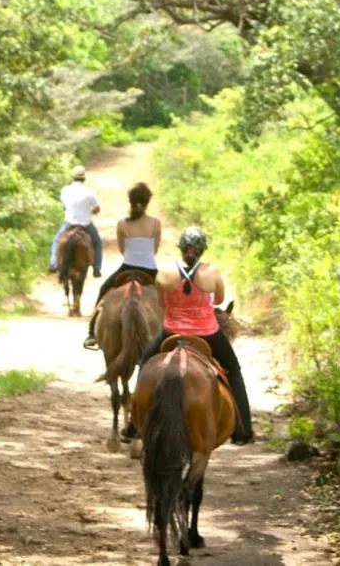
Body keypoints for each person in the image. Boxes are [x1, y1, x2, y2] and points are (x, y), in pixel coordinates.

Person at [121, 227, 254, 445]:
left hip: (171, 331)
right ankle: (243, 429)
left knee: (145, 363)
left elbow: (162, 305)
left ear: (181, 249)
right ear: (202, 251)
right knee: (234, 371)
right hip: (208, 332)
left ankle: (135, 425)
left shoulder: (164, 273)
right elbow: (219, 300)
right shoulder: (212, 272)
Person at [82, 182, 161, 350]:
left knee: (103, 290)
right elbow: (154, 250)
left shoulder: (122, 224)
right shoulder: (155, 223)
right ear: (147, 202)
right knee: (169, 297)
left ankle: (91, 332)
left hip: (126, 268)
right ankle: (174, 332)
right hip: (150, 270)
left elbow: (122, 250)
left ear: (130, 201)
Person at [48, 164, 103, 277]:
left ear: (73, 177)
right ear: (84, 178)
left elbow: (64, 206)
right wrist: (90, 212)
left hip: (69, 223)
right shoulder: (90, 191)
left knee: (56, 240)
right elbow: (97, 208)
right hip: (86, 224)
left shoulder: (65, 190)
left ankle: (53, 263)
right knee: (98, 243)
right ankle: (97, 268)